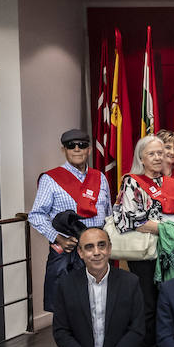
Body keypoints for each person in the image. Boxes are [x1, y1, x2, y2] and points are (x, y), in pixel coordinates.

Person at [112, 134, 174, 347]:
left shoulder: (172, 183)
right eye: (152, 154)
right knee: (148, 304)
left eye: (161, 152)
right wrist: (167, 228)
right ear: (142, 158)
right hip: (146, 254)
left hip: (172, 255)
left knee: (170, 304)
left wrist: (173, 229)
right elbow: (127, 219)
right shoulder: (132, 182)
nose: (158, 157)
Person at [29, 128, 112, 313]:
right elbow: (36, 215)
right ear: (63, 150)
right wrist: (58, 238)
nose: (77, 149)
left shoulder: (100, 178)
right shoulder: (50, 179)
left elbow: (108, 214)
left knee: (99, 301)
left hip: (96, 249)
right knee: (66, 304)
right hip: (67, 248)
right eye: (71, 145)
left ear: (89, 149)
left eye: (82, 145)